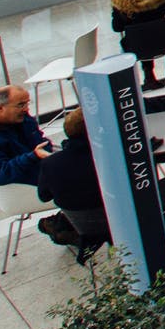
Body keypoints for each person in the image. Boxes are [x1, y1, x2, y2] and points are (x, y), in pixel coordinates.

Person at [33, 107, 110, 255]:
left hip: (84, 226)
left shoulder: (50, 164)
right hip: (117, 219)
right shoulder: (106, 156)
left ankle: (63, 227)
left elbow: (44, 196)